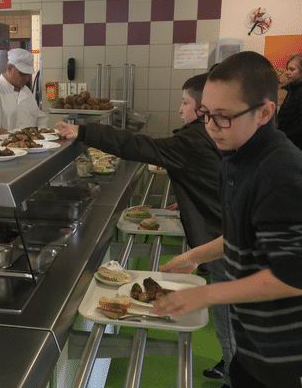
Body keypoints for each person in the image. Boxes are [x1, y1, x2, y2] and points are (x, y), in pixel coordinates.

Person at [56, 74, 234, 386]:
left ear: (203, 108)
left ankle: (234, 368)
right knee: (232, 315)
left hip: (220, 240)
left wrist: (83, 130)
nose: (180, 110)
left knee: (229, 317)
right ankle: (233, 363)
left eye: (185, 103)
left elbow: (138, 145)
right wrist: (190, 199)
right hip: (221, 232)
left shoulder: (193, 139)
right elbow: (214, 178)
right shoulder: (208, 137)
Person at [152, 51, 302, 388]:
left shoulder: (281, 174)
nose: (210, 127)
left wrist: (204, 294)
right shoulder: (237, 158)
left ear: (264, 112)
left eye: (222, 117)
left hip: (283, 352)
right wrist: (193, 257)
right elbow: (241, 235)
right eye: (205, 114)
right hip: (251, 338)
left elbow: (292, 276)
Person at [0, 48, 48, 141]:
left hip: (27, 148)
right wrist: (12, 136)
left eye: (28, 75)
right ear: (9, 68)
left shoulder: (26, 91)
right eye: (22, 74)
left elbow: (38, 117)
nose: (26, 78)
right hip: (0, 151)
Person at [277, 54, 302, 149]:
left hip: (295, 146)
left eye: (292, 69)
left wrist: (282, 136)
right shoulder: (292, 90)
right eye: (287, 69)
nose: (287, 73)